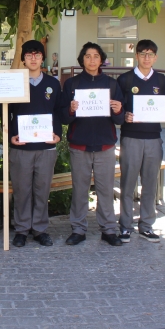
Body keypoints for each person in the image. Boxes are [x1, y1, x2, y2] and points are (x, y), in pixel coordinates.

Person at [60, 42, 125, 246]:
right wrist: (70, 109)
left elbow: (120, 119)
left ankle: (108, 229)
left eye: (96, 56)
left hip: (105, 146)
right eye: (87, 56)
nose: (92, 60)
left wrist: (117, 109)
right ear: (82, 60)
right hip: (80, 145)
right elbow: (64, 117)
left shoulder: (112, 84)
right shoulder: (72, 84)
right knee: (80, 189)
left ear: (101, 59)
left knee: (106, 190)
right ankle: (78, 229)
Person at [116, 40, 165, 243]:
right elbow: (118, 108)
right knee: (128, 183)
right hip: (131, 137)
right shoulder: (124, 79)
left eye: (151, 54)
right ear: (137, 56)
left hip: (153, 138)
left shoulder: (161, 80)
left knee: (150, 184)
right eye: (143, 54)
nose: (147, 57)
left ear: (156, 57)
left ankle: (147, 225)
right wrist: (125, 116)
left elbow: (163, 106)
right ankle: (125, 226)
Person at [8, 40, 65, 247]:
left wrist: (57, 134)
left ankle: (40, 229)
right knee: (22, 190)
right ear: (23, 59)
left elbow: (59, 112)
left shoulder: (53, 83)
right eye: (29, 55)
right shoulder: (14, 82)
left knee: (42, 190)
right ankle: (22, 229)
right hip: (21, 146)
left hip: (46, 147)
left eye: (37, 54)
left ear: (43, 58)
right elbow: (6, 112)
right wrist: (10, 136)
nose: (33, 58)